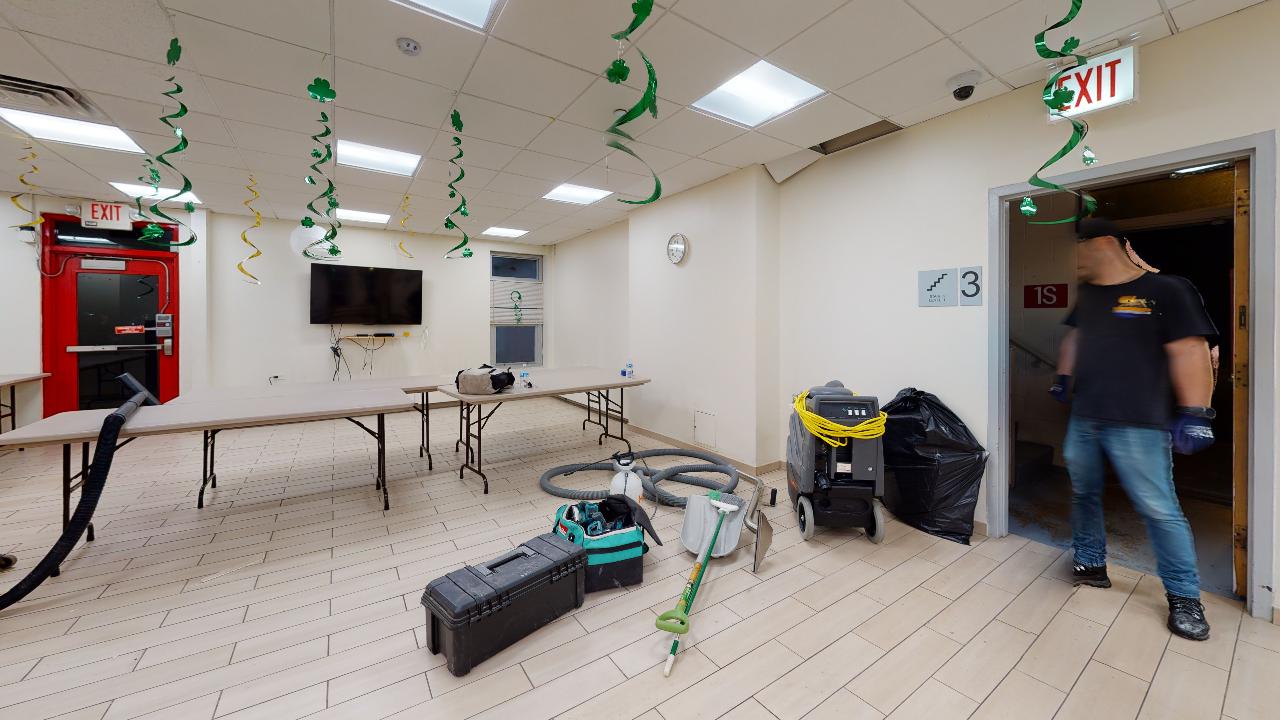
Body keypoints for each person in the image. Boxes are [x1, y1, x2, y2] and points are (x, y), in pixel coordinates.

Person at [1049, 217, 1217, 641]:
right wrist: (1064, 377)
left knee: (1158, 508)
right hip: (1086, 416)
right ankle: (1090, 562)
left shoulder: (1167, 290)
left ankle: (1184, 597)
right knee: (1083, 492)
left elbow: (1191, 351)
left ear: (1101, 245)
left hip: (1140, 422)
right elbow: (1076, 337)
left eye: (1074, 250)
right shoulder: (1088, 295)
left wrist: (1197, 412)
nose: (1070, 261)